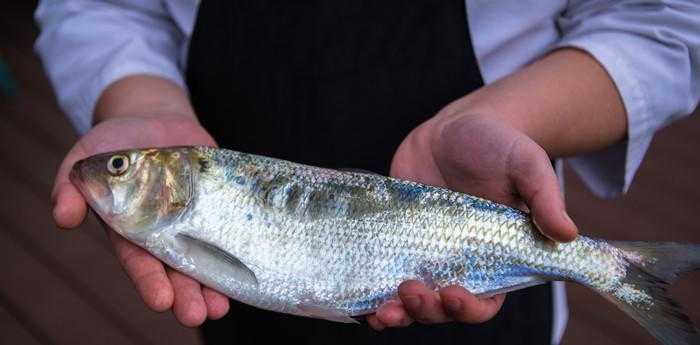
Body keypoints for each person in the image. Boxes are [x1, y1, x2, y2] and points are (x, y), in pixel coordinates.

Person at [35, 1, 700, 344]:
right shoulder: (182, 204)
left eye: (121, 168)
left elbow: (664, 22)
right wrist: (139, 99)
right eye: (121, 169)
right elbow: (95, 5)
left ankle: (614, 268)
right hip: (245, 319)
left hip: (479, 270)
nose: (111, 175)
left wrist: (513, 113)